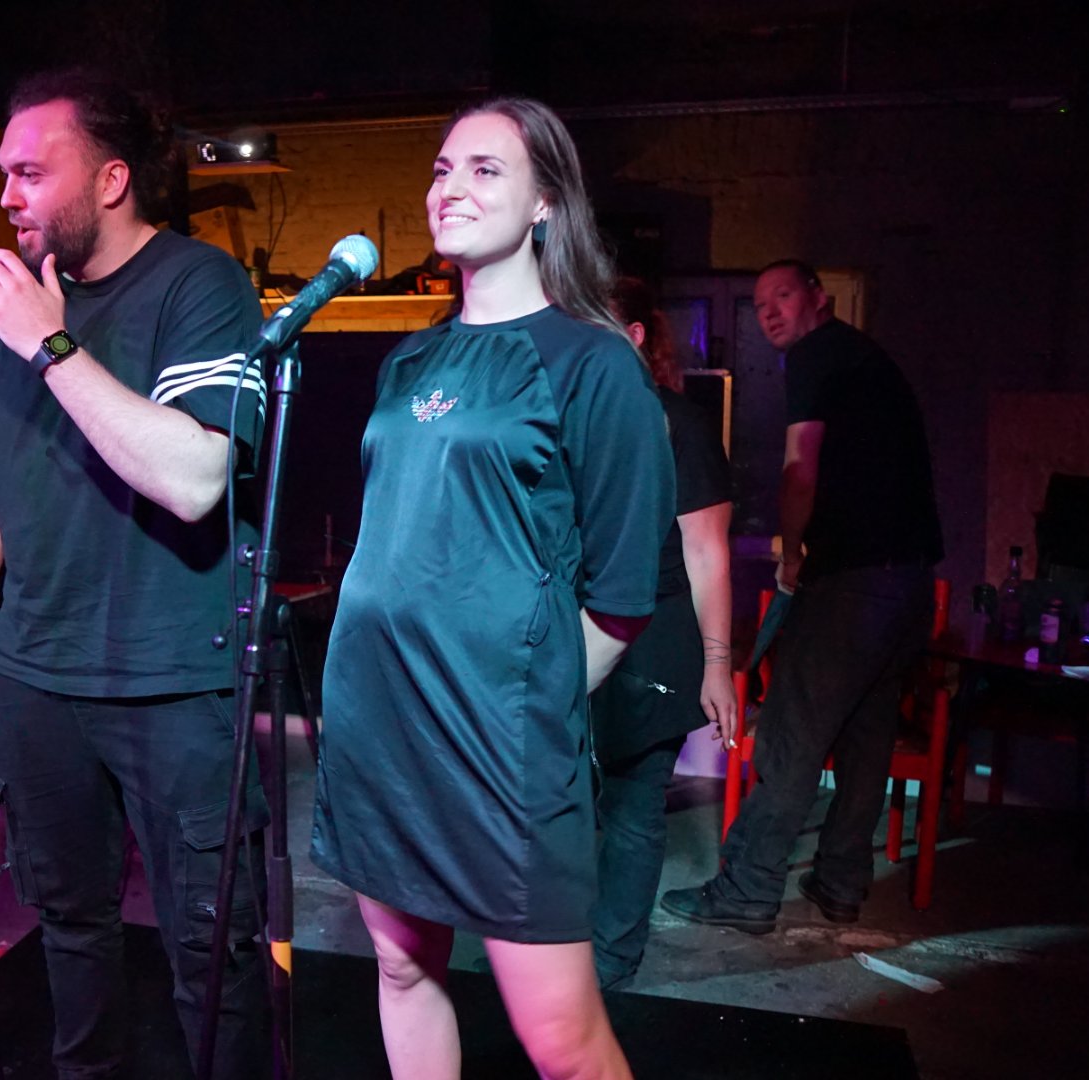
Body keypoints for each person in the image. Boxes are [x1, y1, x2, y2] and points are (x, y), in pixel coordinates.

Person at [310, 98, 673, 1079]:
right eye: (441, 169)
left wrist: (527, 705)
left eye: (484, 169)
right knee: (401, 967)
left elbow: (626, 592)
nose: (450, 188)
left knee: (562, 1041)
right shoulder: (412, 358)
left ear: (546, 201)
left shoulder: (593, 361)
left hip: (497, 747)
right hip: (379, 725)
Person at [0, 68, 269, 1080]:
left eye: (32, 172)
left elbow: (195, 478)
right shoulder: (5, 319)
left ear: (113, 178)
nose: (7, 195)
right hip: (35, 676)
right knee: (68, 931)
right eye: (3, 172)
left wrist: (48, 344)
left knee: (211, 949)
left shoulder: (198, 287)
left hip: (172, 679)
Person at [663, 260, 942, 932]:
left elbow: (799, 468)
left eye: (782, 296)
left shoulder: (818, 356)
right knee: (866, 733)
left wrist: (791, 554)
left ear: (819, 297)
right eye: (760, 304)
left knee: (790, 733)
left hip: (852, 582)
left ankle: (747, 889)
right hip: (907, 581)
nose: (769, 313)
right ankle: (841, 883)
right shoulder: (866, 359)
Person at [588, 278, 737, 990]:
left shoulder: (680, 426)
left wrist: (718, 665)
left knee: (634, 802)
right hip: (580, 631)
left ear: (636, 337)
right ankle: (565, 954)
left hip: (656, 636)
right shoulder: (572, 419)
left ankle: (611, 964)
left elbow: (708, 553)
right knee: (570, 803)